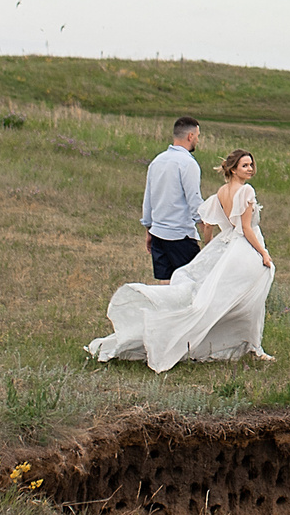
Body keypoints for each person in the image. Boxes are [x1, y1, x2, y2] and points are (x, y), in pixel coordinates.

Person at [86, 149, 277, 372]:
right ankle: (251, 345)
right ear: (233, 169)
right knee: (247, 297)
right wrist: (263, 253)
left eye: (251, 164)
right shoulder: (246, 191)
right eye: (245, 165)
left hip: (227, 245)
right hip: (243, 248)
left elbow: (207, 223)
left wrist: (211, 246)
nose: (250, 169)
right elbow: (245, 228)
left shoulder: (222, 192)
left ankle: (243, 342)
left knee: (220, 297)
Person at [140, 116, 206, 281]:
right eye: (197, 136)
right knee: (193, 284)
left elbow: (148, 198)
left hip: (158, 235)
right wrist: (206, 227)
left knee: (166, 285)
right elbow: (194, 201)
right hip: (180, 236)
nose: (197, 140)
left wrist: (149, 229)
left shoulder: (157, 161)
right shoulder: (187, 164)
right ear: (190, 136)